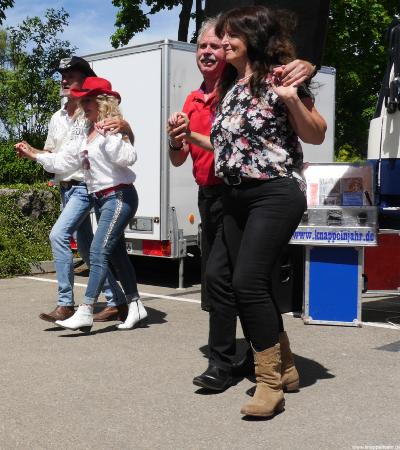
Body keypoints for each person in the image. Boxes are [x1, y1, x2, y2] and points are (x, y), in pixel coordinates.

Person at [177, 6, 326, 417]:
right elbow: (229, 147)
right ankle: (288, 366)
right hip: (235, 196)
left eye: (230, 35)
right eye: (220, 36)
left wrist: (292, 98)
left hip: (275, 192)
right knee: (232, 282)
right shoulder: (231, 86)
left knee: (248, 282)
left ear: (253, 37)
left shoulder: (280, 76)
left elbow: (315, 132)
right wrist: (188, 134)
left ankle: (269, 385)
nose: (222, 43)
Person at [15, 56, 138, 326]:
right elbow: (58, 156)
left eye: (71, 75)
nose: (64, 80)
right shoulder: (60, 118)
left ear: (86, 82)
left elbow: (127, 154)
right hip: (69, 187)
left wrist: (124, 129)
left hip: (94, 189)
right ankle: (123, 302)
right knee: (93, 248)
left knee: (63, 236)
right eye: (62, 75)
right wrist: (32, 154)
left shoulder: (94, 117)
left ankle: (70, 305)